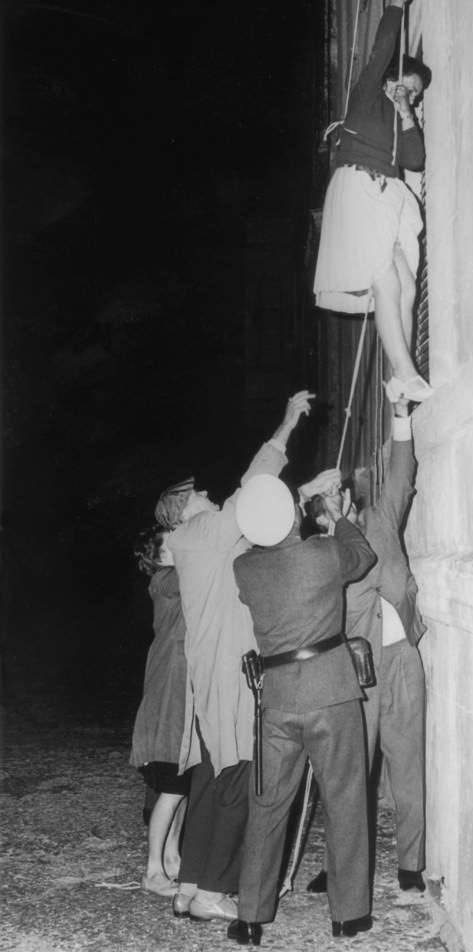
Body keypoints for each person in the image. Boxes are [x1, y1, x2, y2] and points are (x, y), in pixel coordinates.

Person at [154, 390, 314, 923]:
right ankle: (212, 892)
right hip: (230, 673)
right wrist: (286, 424)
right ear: (182, 508)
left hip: (214, 671)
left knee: (208, 779)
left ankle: (191, 882)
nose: (206, 493)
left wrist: (307, 493)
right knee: (238, 776)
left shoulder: (202, 543)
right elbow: (252, 492)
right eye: (197, 492)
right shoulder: (201, 532)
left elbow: (260, 522)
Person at [226, 474, 377, 946]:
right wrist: (335, 518)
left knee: (268, 805)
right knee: (346, 801)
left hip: (276, 702)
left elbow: (270, 542)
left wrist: (299, 505)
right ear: (294, 515)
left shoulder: (244, 569)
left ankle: (250, 916)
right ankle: (348, 917)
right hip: (331, 693)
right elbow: (364, 556)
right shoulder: (323, 554)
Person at [305, 399, 427, 895]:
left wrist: (399, 414)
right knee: (351, 774)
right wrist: (317, 501)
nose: (339, 495)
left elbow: (401, 472)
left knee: (409, 764)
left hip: (402, 661)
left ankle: (411, 863)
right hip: (359, 670)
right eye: (328, 498)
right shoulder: (322, 550)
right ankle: (340, 867)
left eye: (339, 491)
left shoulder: (380, 518)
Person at [313, 0, 434, 405]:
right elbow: (382, 48)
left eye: (417, 96)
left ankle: (399, 373)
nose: (411, 97)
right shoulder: (365, 99)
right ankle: (405, 371)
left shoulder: (400, 120)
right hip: (358, 184)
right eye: (408, 88)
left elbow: (415, 159)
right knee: (384, 278)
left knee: (406, 284)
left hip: (383, 194)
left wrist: (407, 115)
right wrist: (397, 2)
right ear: (390, 79)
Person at [130, 527, 191, 897]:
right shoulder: (166, 578)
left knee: (183, 785)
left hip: (181, 686)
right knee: (171, 784)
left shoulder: (172, 577)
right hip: (170, 689)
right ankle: (153, 870)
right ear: (159, 555)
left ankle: (172, 858)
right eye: (173, 542)